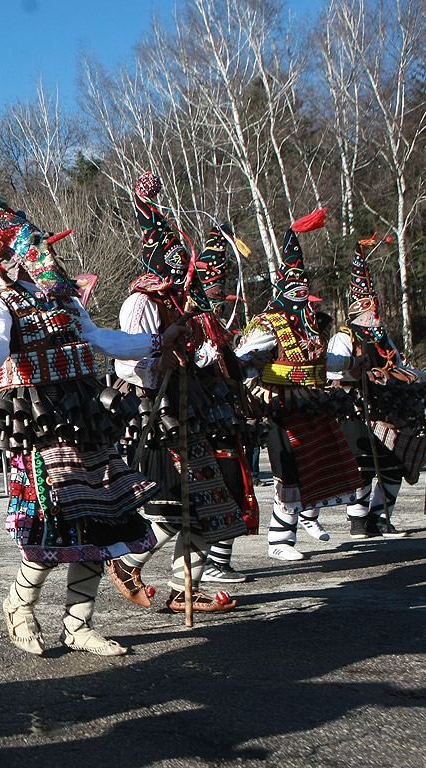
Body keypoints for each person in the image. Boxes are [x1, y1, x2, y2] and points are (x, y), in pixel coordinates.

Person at [0, 190, 184, 656]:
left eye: (42, 249)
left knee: (103, 521)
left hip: (86, 418)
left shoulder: (66, 302)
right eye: (31, 251)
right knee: (53, 522)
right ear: (6, 261)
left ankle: (78, 624)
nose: (44, 257)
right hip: (39, 422)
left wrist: (158, 341)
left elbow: (102, 339)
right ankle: (19, 609)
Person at [109, 173, 247, 614]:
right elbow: (124, 362)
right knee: (169, 507)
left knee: (210, 504)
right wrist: (158, 361)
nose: (178, 270)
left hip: (188, 410)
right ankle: (128, 564)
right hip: (154, 415)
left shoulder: (181, 302)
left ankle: (183, 587)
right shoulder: (140, 303)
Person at [233, 208, 365, 561]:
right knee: (287, 471)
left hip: (311, 400)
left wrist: (352, 363)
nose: (302, 292)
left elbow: (320, 361)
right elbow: (242, 357)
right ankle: (280, 540)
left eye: (304, 286)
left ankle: (302, 524)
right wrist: (246, 367)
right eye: (296, 286)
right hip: (279, 403)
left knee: (316, 463)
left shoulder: (307, 323)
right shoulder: (268, 322)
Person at [328, 235, 426, 538]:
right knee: (362, 465)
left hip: (387, 409)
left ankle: (380, 517)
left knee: (393, 463)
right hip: (356, 409)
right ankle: (359, 521)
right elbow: (331, 367)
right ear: (357, 310)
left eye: (376, 308)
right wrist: (356, 370)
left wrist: (425, 374)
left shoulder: (383, 339)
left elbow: (400, 367)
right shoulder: (345, 337)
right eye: (369, 308)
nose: (375, 313)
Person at [191, 229, 261, 585]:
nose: (218, 303)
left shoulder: (219, 330)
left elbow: (232, 370)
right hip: (200, 417)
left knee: (236, 483)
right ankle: (137, 564)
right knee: (210, 490)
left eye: (221, 296)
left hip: (225, 416)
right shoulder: (189, 326)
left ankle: (219, 561)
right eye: (213, 295)